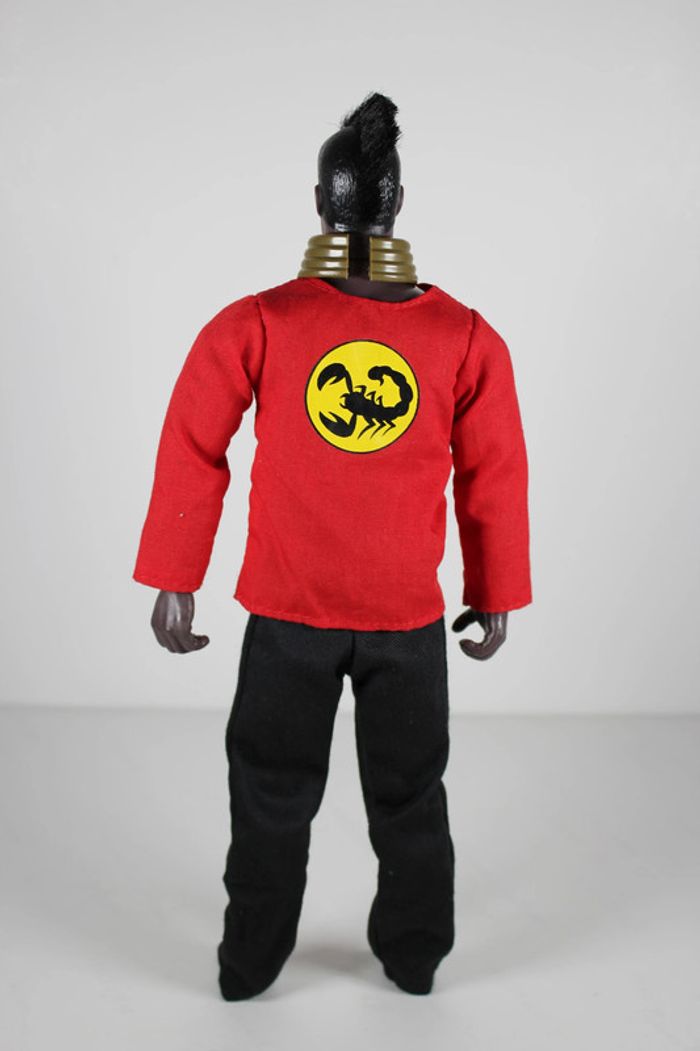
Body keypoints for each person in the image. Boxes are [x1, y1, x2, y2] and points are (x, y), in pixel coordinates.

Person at [133, 91, 532, 998]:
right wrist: (496, 587)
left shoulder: (260, 320)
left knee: (270, 792)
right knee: (410, 796)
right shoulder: (465, 335)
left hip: (288, 615)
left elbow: (192, 441)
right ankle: (415, 956)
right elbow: (496, 473)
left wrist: (174, 574)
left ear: (320, 203)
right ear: (398, 203)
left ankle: (251, 961)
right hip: (406, 621)